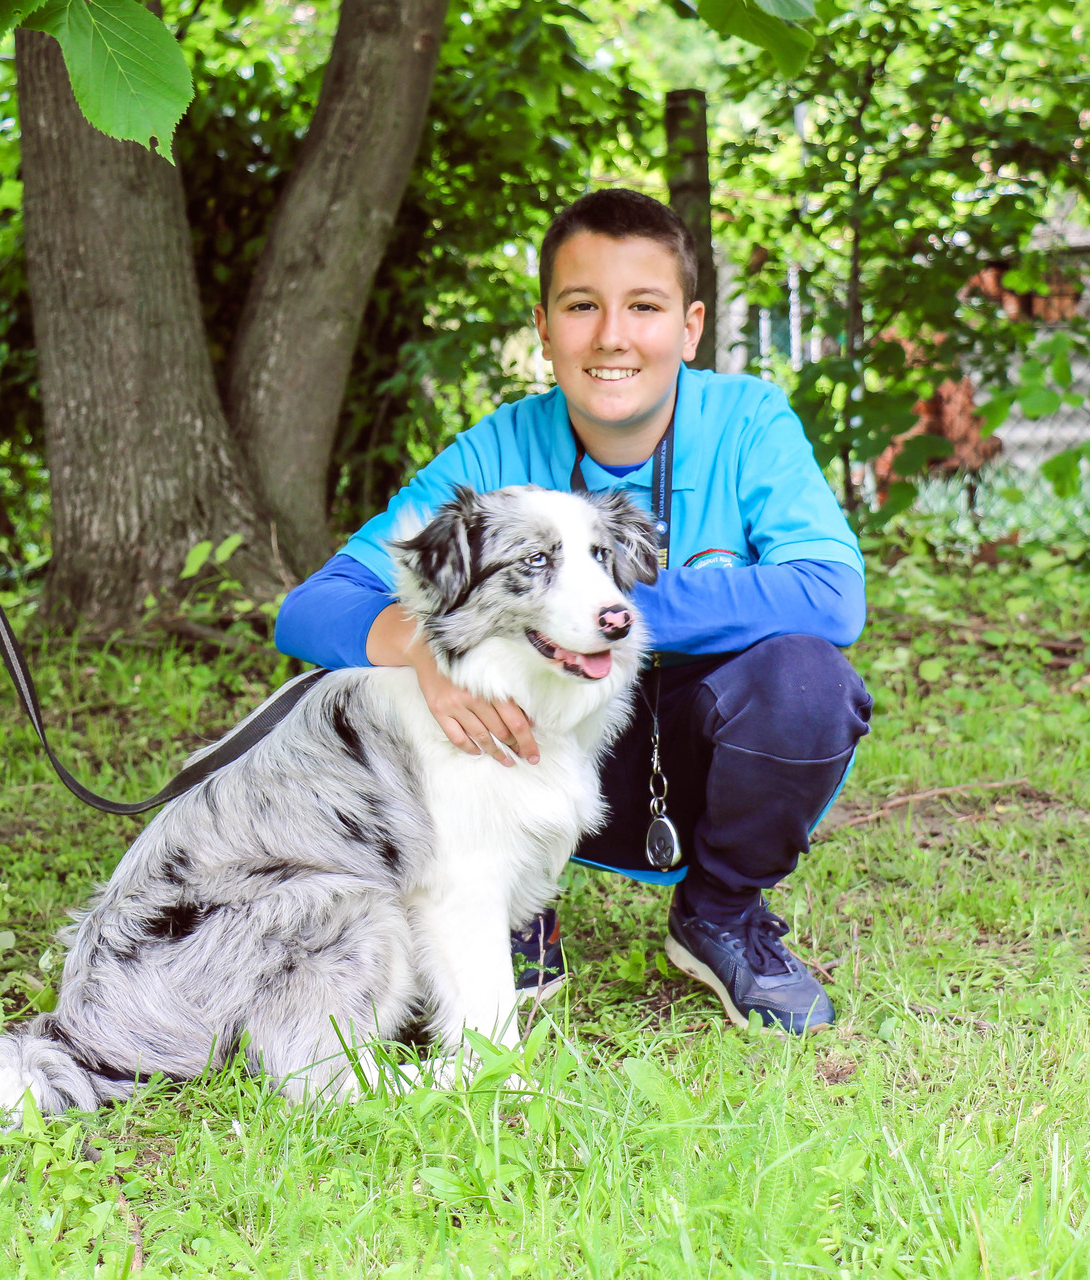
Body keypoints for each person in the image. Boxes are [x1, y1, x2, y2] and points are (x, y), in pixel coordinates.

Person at [274, 189, 873, 1034]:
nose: (612, 335)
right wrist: (419, 648)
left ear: (691, 328)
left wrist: (601, 602)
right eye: (582, 306)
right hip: (534, 741)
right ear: (545, 327)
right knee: (450, 669)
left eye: (645, 307)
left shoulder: (748, 422)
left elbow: (831, 593)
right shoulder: (497, 449)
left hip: (697, 742)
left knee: (808, 681)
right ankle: (514, 910)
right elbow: (312, 607)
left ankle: (722, 914)